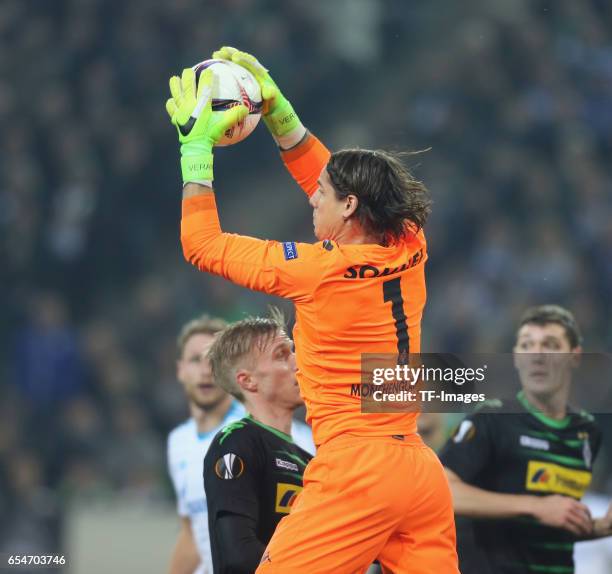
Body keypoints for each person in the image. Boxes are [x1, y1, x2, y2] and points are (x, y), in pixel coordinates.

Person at [166, 47, 458, 573]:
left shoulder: (315, 271)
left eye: (321, 195)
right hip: (418, 470)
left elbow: (201, 245)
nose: (310, 199)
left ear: (349, 206)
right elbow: (332, 179)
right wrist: (282, 118)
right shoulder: (410, 243)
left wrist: (197, 148)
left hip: (358, 467)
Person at [439, 304, 612, 574]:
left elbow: (543, 529)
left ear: (575, 356)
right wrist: (535, 506)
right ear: (516, 357)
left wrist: (600, 527)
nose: (537, 356)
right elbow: (441, 493)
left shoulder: (587, 432)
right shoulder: (491, 420)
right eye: (527, 345)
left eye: (551, 345)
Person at [167, 315, 315, 574]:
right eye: (282, 355)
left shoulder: (311, 456)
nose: (297, 361)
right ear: (247, 381)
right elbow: (237, 556)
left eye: (293, 350)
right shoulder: (234, 443)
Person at [167, 315, 246, 574]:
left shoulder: (255, 430)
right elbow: (193, 535)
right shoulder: (178, 442)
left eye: (215, 360)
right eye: (195, 360)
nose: (205, 370)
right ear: (180, 370)